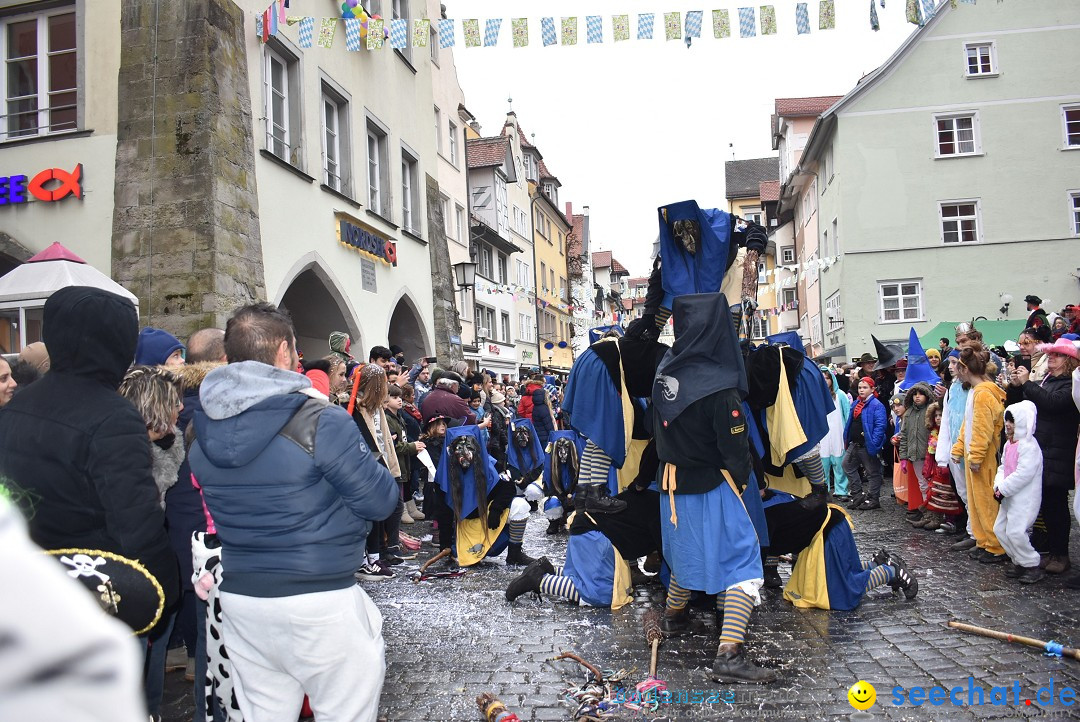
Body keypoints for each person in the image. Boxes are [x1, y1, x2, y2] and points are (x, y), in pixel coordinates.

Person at [188, 302, 397, 722]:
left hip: (244, 599)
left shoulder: (202, 426)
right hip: (319, 599)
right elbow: (381, 500)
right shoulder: (321, 419)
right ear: (284, 352)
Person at [652, 292, 777, 684]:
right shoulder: (718, 386)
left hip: (672, 485)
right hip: (713, 485)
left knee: (685, 552)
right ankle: (729, 654)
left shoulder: (664, 374)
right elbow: (734, 449)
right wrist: (743, 483)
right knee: (741, 562)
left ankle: (673, 617)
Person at [763, 491, 917, 609]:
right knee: (815, 588)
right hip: (817, 535)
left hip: (827, 531)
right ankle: (876, 564)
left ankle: (892, 571)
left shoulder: (756, 510)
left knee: (839, 594)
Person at [1008, 337, 1080, 575]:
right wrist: (1017, 386)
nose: (1051, 358)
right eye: (1050, 355)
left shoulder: (1070, 383)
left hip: (1059, 448)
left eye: (1057, 355)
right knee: (1048, 505)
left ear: (1069, 361)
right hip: (1044, 448)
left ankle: (1061, 554)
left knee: (1057, 505)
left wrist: (1028, 384)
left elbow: (1052, 404)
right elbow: (1026, 405)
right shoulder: (1049, 380)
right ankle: (1051, 551)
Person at [951, 346, 1007, 564]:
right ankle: (984, 540)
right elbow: (969, 424)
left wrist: (975, 456)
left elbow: (982, 430)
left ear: (965, 369)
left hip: (984, 458)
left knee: (986, 502)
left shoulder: (984, 393)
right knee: (976, 502)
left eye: (957, 365)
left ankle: (996, 544)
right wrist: (959, 448)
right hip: (974, 456)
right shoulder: (977, 392)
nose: (953, 368)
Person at [350, 363, 405, 578]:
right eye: (383, 383)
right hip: (367, 469)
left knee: (383, 512)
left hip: (381, 465)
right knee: (369, 517)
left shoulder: (376, 407)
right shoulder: (355, 407)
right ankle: (366, 559)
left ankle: (376, 555)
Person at [992, 401, 1045, 584]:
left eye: (1012, 421)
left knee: (1016, 531)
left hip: (1024, 497)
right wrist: (998, 486)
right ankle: (1018, 560)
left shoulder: (1030, 447)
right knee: (1000, 529)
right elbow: (1003, 467)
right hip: (1008, 495)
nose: (1008, 424)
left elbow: (1024, 474)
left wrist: (1004, 489)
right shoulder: (1009, 445)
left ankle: (1031, 563)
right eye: (1007, 420)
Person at [842, 378, 888, 510]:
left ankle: (873, 499)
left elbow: (880, 426)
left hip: (867, 444)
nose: (861, 390)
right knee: (847, 465)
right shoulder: (856, 403)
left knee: (873, 472)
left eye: (865, 387)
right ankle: (857, 495)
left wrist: (874, 443)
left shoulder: (877, 405)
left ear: (872, 389)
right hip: (855, 443)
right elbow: (850, 422)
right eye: (860, 388)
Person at [918, 403, 962, 532]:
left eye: (941, 415)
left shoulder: (949, 431)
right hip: (936, 466)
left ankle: (950, 521)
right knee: (938, 492)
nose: (938, 418)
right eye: (936, 415)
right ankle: (937, 518)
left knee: (948, 494)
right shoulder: (934, 431)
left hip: (948, 464)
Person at [385, 384, 424, 528]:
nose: (399, 401)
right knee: (400, 482)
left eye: (400, 397)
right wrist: (412, 446)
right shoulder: (388, 419)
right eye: (394, 398)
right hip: (398, 457)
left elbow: (403, 437)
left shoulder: (399, 416)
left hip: (404, 456)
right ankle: (403, 510)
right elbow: (394, 445)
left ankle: (410, 506)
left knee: (406, 480)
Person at [898, 382, 934, 524]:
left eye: (920, 394)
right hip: (915, 455)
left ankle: (934, 512)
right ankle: (927, 514)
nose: (917, 397)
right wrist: (904, 457)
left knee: (932, 485)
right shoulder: (909, 414)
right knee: (923, 484)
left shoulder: (930, 411)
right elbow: (904, 435)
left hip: (930, 454)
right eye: (915, 394)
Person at [819, 365, 851, 501]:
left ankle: (842, 490)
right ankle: (823, 491)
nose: (825, 381)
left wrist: (848, 434)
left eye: (827, 378)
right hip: (822, 434)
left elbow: (848, 414)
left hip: (838, 432)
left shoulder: (841, 395)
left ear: (832, 379)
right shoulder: (816, 395)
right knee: (822, 464)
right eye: (822, 378)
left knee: (839, 463)